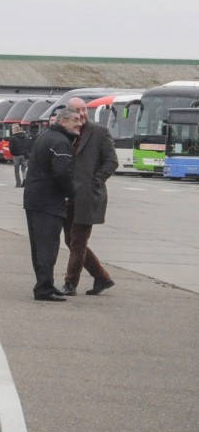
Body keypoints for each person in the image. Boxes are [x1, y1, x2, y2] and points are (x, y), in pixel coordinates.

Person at [62, 95, 118, 296]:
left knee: (78, 240)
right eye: (77, 110)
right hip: (68, 196)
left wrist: (95, 181)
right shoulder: (65, 132)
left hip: (89, 196)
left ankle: (70, 283)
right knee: (70, 240)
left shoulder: (99, 133)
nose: (82, 114)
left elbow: (111, 162)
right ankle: (101, 277)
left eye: (84, 109)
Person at [24, 110, 80, 301]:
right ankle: (44, 289)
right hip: (47, 202)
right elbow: (62, 173)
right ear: (63, 121)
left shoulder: (46, 136)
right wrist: (72, 192)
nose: (79, 124)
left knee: (39, 247)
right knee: (48, 247)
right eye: (75, 120)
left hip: (34, 199)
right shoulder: (60, 142)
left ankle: (45, 283)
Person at [8, 122, 33, 188]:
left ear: (15, 130)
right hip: (24, 155)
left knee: (16, 170)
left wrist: (12, 153)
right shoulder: (26, 137)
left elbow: (11, 147)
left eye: (12, 129)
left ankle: (18, 183)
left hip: (16, 156)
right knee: (24, 169)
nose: (12, 130)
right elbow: (28, 146)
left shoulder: (13, 138)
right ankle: (24, 180)